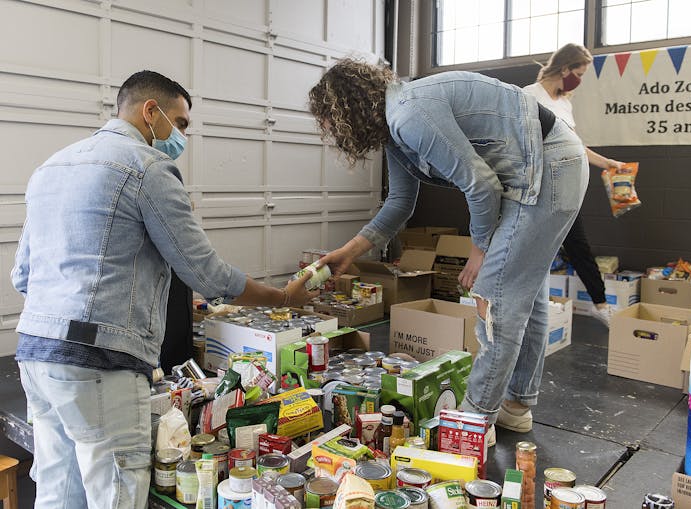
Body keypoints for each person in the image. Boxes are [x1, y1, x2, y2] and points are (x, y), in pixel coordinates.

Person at [11, 70, 317, 509]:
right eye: (181, 121)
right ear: (150, 111)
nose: (182, 135)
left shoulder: (51, 166)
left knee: (59, 490)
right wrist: (284, 297)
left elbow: (22, 276)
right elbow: (207, 275)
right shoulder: (149, 168)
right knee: (115, 489)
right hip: (100, 362)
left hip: (36, 356)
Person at [308, 59, 588, 439]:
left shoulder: (410, 114)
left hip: (549, 168)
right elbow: (400, 203)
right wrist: (350, 251)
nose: (329, 131)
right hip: (546, 167)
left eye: (328, 120)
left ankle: (472, 425)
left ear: (346, 109)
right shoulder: (395, 126)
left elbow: (481, 185)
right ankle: (516, 406)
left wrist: (480, 249)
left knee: (495, 298)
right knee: (526, 292)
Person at [523, 43, 625, 328]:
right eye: (578, 73)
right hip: (539, 186)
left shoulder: (564, 102)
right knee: (533, 247)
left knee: (578, 245)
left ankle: (600, 305)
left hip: (567, 184)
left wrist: (607, 163)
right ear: (565, 68)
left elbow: (577, 145)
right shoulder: (529, 96)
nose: (578, 81)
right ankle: (527, 306)